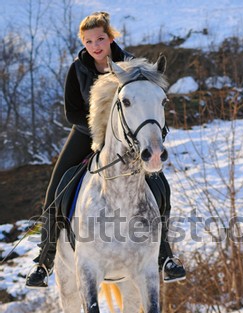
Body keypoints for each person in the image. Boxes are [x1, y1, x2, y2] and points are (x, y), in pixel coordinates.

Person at [26, 11, 186, 288]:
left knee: (160, 185)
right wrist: (99, 130)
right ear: (84, 44)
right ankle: (45, 259)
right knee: (56, 188)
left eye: (100, 38)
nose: (95, 46)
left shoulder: (132, 66)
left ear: (111, 38)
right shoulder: (77, 68)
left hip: (127, 138)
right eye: (89, 41)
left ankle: (166, 256)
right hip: (86, 132)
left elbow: (147, 103)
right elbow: (72, 112)